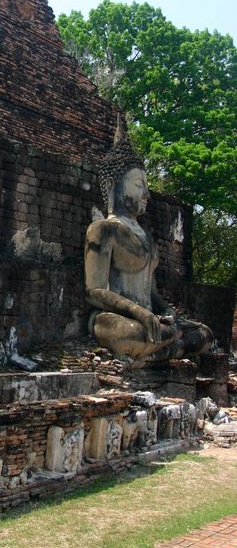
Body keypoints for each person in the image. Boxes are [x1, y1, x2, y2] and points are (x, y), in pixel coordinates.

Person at [84, 121, 213, 367]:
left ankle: (152, 354)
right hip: (114, 319)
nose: (147, 195)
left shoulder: (147, 238)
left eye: (147, 186)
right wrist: (139, 312)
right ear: (113, 186)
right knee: (134, 334)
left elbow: (150, 292)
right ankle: (162, 349)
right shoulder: (102, 229)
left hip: (151, 319)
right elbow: (94, 291)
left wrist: (166, 311)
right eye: (139, 185)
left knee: (204, 333)